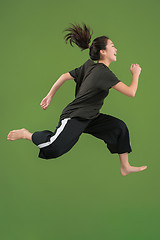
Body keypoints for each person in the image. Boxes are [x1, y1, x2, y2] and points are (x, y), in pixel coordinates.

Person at [7, 23, 147, 176]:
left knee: (119, 127)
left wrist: (50, 95)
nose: (116, 49)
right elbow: (131, 92)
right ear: (102, 51)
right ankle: (27, 134)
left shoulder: (89, 67)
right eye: (112, 46)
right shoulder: (104, 73)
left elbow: (64, 76)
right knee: (54, 148)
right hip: (75, 116)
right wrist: (136, 74)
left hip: (90, 116)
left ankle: (125, 166)